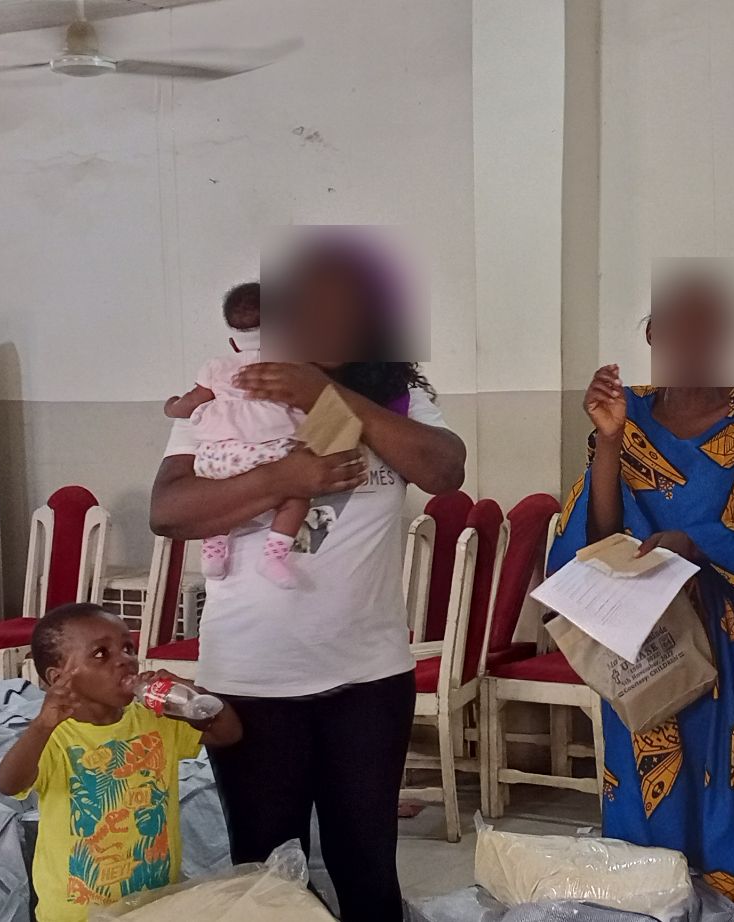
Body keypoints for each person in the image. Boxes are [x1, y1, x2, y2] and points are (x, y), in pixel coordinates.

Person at [148, 237, 465, 922]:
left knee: (367, 867)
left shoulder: (397, 395)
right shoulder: (232, 389)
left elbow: (444, 471)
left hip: (368, 675)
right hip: (251, 677)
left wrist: (326, 395)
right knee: (266, 876)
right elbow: (169, 512)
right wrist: (284, 478)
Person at [550, 272, 734, 922]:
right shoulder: (627, 417)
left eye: (709, 326)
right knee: (648, 819)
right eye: (678, 325)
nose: (694, 340)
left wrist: (699, 544)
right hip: (648, 649)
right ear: (652, 335)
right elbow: (597, 542)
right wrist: (608, 440)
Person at [0, 604, 241, 922]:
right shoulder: (55, 737)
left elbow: (229, 733)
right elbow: (9, 783)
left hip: (155, 903)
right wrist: (41, 726)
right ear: (59, 679)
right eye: (101, 654)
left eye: (128, 648)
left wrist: (191, 696)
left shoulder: (156, 720)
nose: (124, 660)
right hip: (76, 914)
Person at [163, 282, 309, 587]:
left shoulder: (216, 366)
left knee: (216, 500)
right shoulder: (290, 365)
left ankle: (214, 548)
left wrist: (172, 406)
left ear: (233, 342)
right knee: (295, 498)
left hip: (216, 456)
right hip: (268, 452)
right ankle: (273, 556)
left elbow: (191, 402)